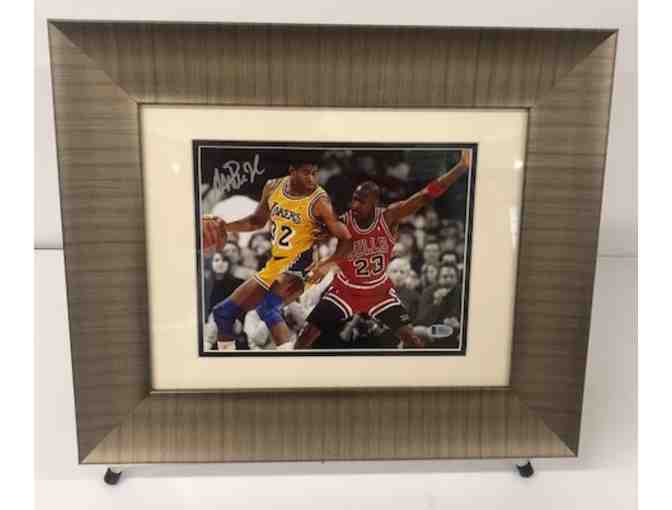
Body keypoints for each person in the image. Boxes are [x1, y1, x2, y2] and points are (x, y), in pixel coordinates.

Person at [295, 149, 471, 350]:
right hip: (346, 289)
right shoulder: (344, 221)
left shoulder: (388, 217)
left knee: (412, 339)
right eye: (354, 198)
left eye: (361, 201)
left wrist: (460, 168)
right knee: (306, 335)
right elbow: (320, 237)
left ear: (374, 204)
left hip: (378, 291)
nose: (354, 205)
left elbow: (425, 195)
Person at [202, 152, 353, 350]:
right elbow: (256, 222)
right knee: (222, 313)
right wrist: (226, 227)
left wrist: (326, 265)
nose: (311, 179)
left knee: (268, 308)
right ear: (292, 171)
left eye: (314, 173)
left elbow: (347, 239)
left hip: (301, 268)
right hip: (276, 265)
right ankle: (227, 360)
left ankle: (289, 361)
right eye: (306, 173)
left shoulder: (319, 200)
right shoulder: (273, 187)